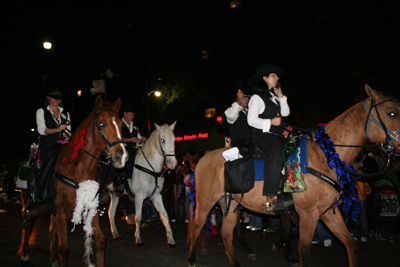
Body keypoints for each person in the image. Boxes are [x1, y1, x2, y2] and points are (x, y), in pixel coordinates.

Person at [247, 63, 292, 212]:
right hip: (263, 134)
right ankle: (271, 196)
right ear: (264, 78)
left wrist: (281, 97)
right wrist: (270, 122)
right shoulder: (256, 98)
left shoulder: (273, 97)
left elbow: (285, 113)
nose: (277, 78)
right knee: (277, 153)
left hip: (277, 134)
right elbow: (250, 120)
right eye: (273, 75)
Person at [25, 86, 71, 217]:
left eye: (58, 99)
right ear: (48, 98)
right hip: (48, 145)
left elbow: (69, 130)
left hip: (64, 144)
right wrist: (57, 129)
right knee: (49, 162)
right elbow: (42, 130)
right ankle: (36, 197)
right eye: (53, 98)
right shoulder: (41, 111)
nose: (56, 101)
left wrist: (67, 135)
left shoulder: (65, 113)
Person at [114, 104, 147, 194]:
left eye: (133, 115)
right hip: (122, 149)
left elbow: (138, 142)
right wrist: (129, 140)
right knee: (130, 157)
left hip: (134, 149)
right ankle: (124, 181)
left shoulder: (135, 127)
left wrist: (142, 140)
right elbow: (116, 139)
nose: (132, 117)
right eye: (130, 114)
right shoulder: (119, 125)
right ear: (125, 113)